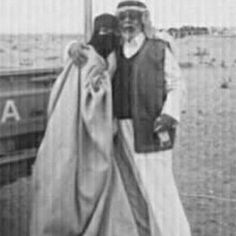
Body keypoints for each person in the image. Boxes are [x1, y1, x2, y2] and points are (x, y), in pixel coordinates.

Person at [30, 13, 161, 236]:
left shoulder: (100, 55)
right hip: (80, 132)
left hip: (70, 134)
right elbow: (93, 97)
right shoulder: (88, 58)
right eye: (104, 32)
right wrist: (107, 72)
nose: (107, 37)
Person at [112, 1, 191, 236]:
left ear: (143, 19)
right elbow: (88, 52)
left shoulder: (158, 48)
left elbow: (177, 85)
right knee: (132, 188)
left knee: (160, 189)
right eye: (123, 16)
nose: (127, 21)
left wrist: (169, 114)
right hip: (121, 129)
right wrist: (72, 47)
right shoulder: (116, 49)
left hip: (151, 128)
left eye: (133, 16)